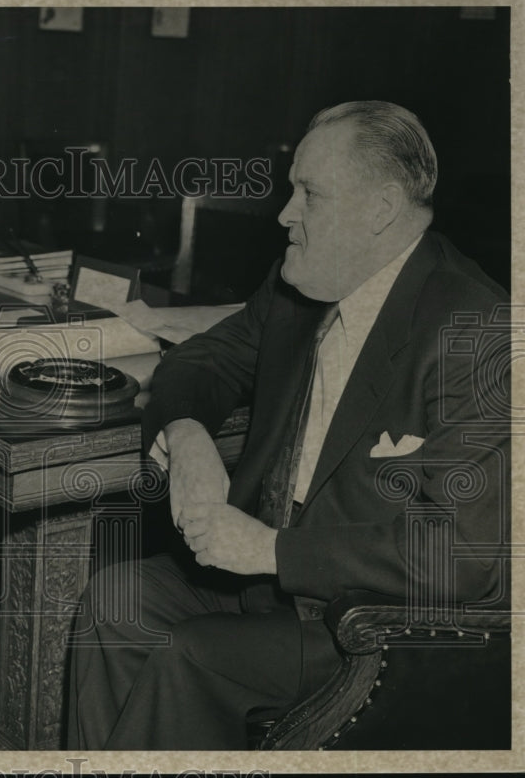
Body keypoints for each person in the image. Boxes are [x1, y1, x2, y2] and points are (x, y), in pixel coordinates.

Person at [67, 101, 509, 749]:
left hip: (374, 623)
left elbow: (460, 558)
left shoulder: (478, 332)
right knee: (115, 600)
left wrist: (268, 551)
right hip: (267, 581)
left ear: (381, 208)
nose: (284, 214)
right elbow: (203, 358)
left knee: (189, 655)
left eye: (310, 194)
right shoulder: (302, 281)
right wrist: (187, 436)